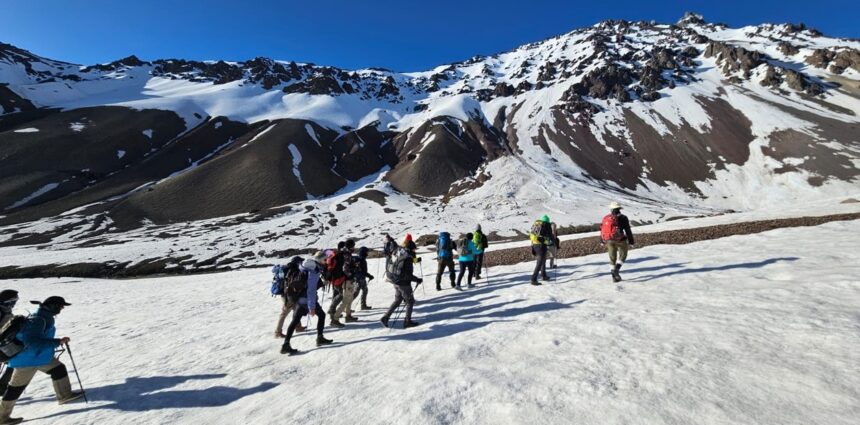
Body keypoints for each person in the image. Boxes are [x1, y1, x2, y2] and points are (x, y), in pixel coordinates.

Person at [0, 296, 84, 424]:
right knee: (15, 389)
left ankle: (65, 396)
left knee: (58, 369)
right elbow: (32, 342)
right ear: (53, 306)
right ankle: (2, 418)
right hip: (28, 359)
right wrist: (57, 342)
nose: (62, 308)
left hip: (38, 356)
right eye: (61, 306)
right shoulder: (39, 319)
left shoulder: (42, 316)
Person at [281, 254, 333, 355]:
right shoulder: (313, 271)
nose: (326, 261)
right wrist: (311, 307)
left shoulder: (304, 266)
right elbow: (311, 291)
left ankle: (286, 344)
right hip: (307, 300)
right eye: (325, 259)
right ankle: (320, 338)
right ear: (320, 260)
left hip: (299, 299)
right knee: (322, 315)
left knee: (294, 321)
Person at [380, 242, 422, 329]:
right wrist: (417, 279)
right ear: (411, 249)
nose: (415, 251)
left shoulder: (401, 254)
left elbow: (403, 266)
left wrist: (417, 260)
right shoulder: (408, 258)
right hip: (403, 284)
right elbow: (408, 275)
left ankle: (385, 317)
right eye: (414, 249)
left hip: (396, 282)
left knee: (397, 300)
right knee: (410, 301)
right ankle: (407, 321)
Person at [600, 201, 635, 282]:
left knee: (612, 258)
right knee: (623, 255)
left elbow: (602, 230)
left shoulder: (606, 218)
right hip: (620, 240)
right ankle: (616, 269)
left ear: (611, 209)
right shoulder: (623, 218)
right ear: (619, 209)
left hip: (609, 240)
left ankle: (614, 277)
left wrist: (601, 240)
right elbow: (628, 230)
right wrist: (631, 241)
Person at [273, 257, 305, 338]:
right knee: (284, 313)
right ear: (297, 262)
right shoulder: (292, 271)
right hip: (288, 296)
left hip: (288, 295)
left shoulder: (289, 269)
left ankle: (298, 327)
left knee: (296, 310)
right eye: (300, 262)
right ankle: (277, 332)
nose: (301, 264)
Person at [331, 239, 359, 325]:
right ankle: (335, 319)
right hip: (347, 280)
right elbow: (345, 268)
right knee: (346, 300)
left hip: (346, 279)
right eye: (353, 246)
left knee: (350, 298)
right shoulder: (346, 254)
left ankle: (348, 316)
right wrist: (350, 275)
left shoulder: (343, 252)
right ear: (350, 246)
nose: (354, 247)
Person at [0, 290, 19, 396]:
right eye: (14, 301)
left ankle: (2, 388)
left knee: (15, 362)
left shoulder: (6, 311)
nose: (14, 304)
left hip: (4, 344)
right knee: (15, 362)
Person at [529, 215, 554, 285]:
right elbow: (550, 235)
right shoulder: (546, 225)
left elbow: (532, 235)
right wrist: (553, 242)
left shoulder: (537, 224)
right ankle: (533, 279)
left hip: (534, 244)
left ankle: (544, 275)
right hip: (541, 245)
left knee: (542, 260)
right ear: (548, 220)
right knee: (540, 262)